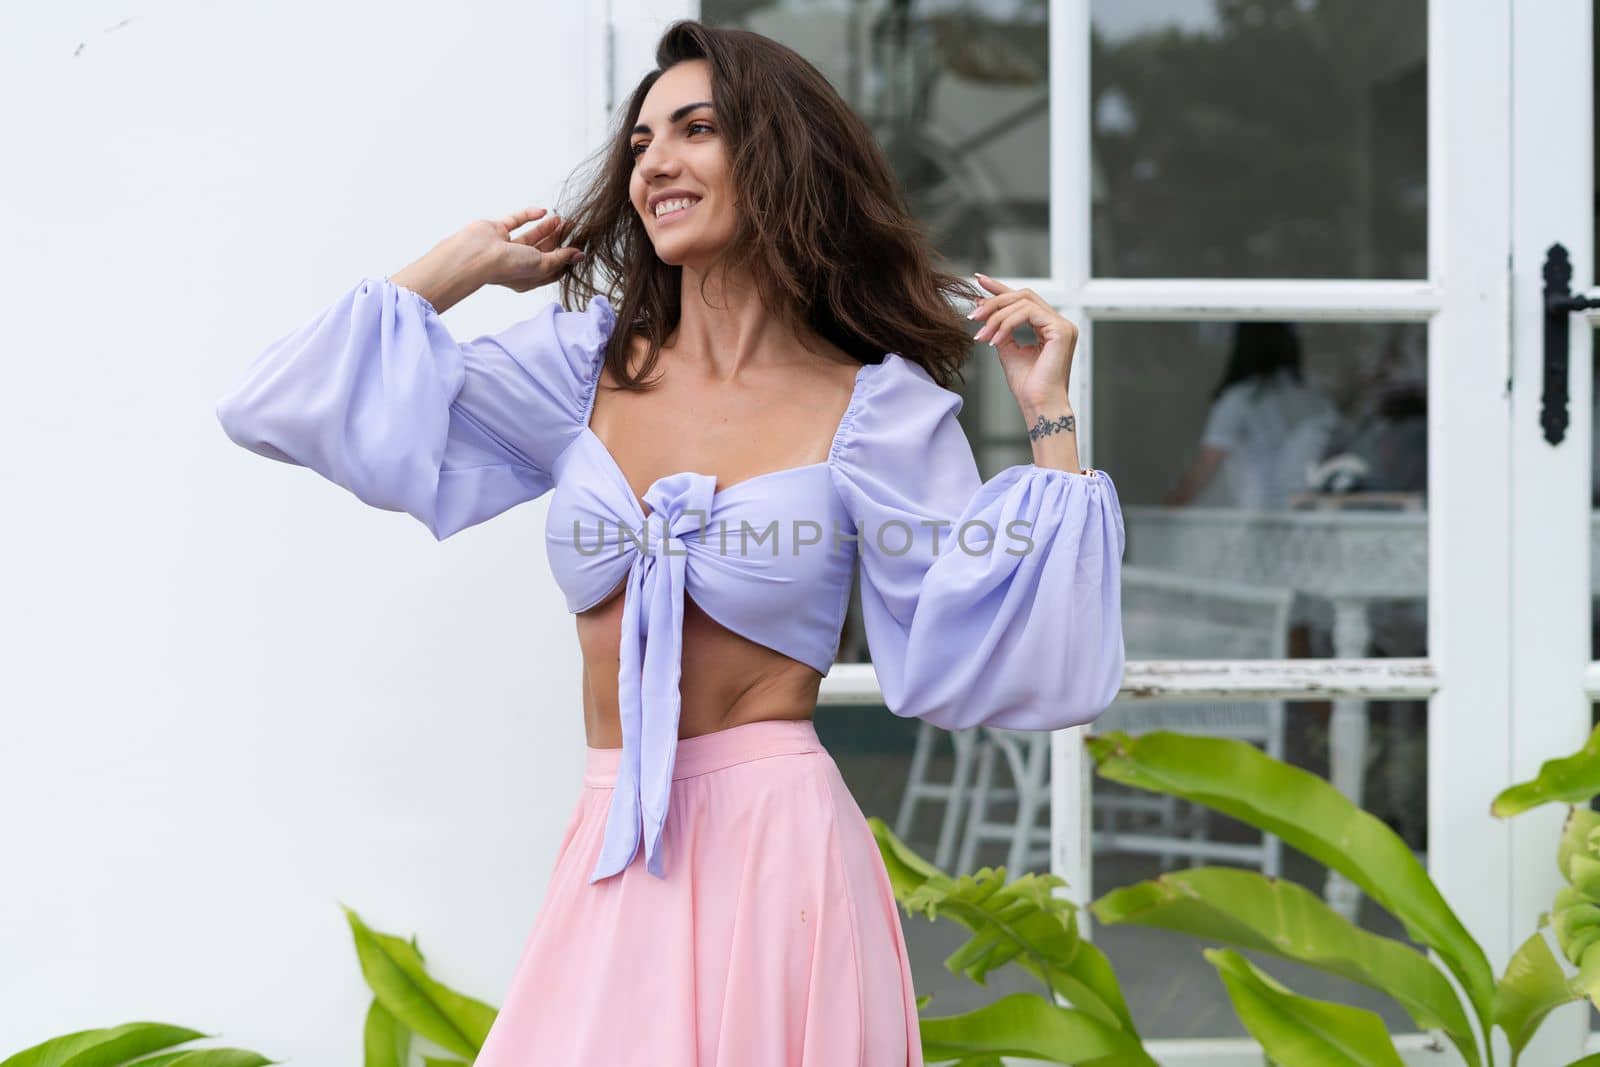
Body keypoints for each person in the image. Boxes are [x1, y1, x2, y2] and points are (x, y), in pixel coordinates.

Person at [214, 19, 1125, 1066]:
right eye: (641, 140)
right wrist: (453, 267)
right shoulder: (577, 369)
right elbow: (274, 407)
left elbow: (1017, 652)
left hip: (779, 852)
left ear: (778, 158)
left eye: (696, 129)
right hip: (613, 839)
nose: (655, 163)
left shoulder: (877, 409)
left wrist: (1047, 412)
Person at [1164, 321, 1339, 511]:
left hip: (1256, 519)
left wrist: (1169, 509)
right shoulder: (1316, 401)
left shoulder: (1240, 399)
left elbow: (1208, 462)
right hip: (1304, 517)